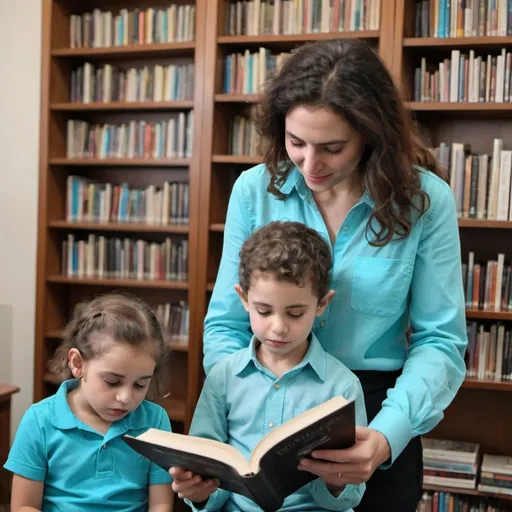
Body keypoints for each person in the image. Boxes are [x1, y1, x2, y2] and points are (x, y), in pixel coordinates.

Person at [201, 38, 468, 511]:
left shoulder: (426, 201)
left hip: (373, 409)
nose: (309, 164)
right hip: (260, 401)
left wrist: (385, 438)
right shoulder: (252, 190)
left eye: (332, 147)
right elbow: (225, 323)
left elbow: (440, 342)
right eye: (295, 142)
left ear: (371, 133)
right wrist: (239, 397)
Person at [171, 221, 368, 511]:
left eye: (296, 313)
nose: (278, 328)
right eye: (264, 311)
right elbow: (208, 476)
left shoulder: (343, 387)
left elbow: (351, 496)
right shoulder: (223, 377)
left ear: (322, 304)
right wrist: (199, 492)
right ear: (244, 299)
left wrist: (338, 481)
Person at [4, 293, 174, 512]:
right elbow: (24, 506)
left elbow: (161, 504)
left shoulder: (155, 420)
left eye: (140, 385)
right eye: (112, 381)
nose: (125, 398)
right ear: (77, 363)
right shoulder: (39, 421)